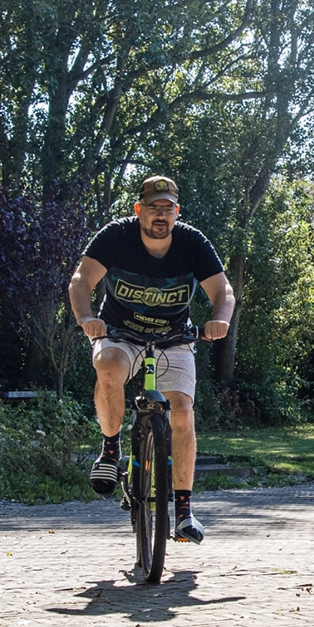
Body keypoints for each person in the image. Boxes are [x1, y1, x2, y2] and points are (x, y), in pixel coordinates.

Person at [69, 175, 235, 544]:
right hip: (119, 333)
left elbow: (222, 289)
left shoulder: (192, 242)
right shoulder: (116, 236)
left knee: (181, 411)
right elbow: (81, 280)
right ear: (138, 210)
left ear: (177, 212)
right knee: (108, 367)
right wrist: (86, 318)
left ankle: (184, 511)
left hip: (174, 338)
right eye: (154, 208)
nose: (161, 215)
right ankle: (110, 450)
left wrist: (219, 319)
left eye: (168, 209)